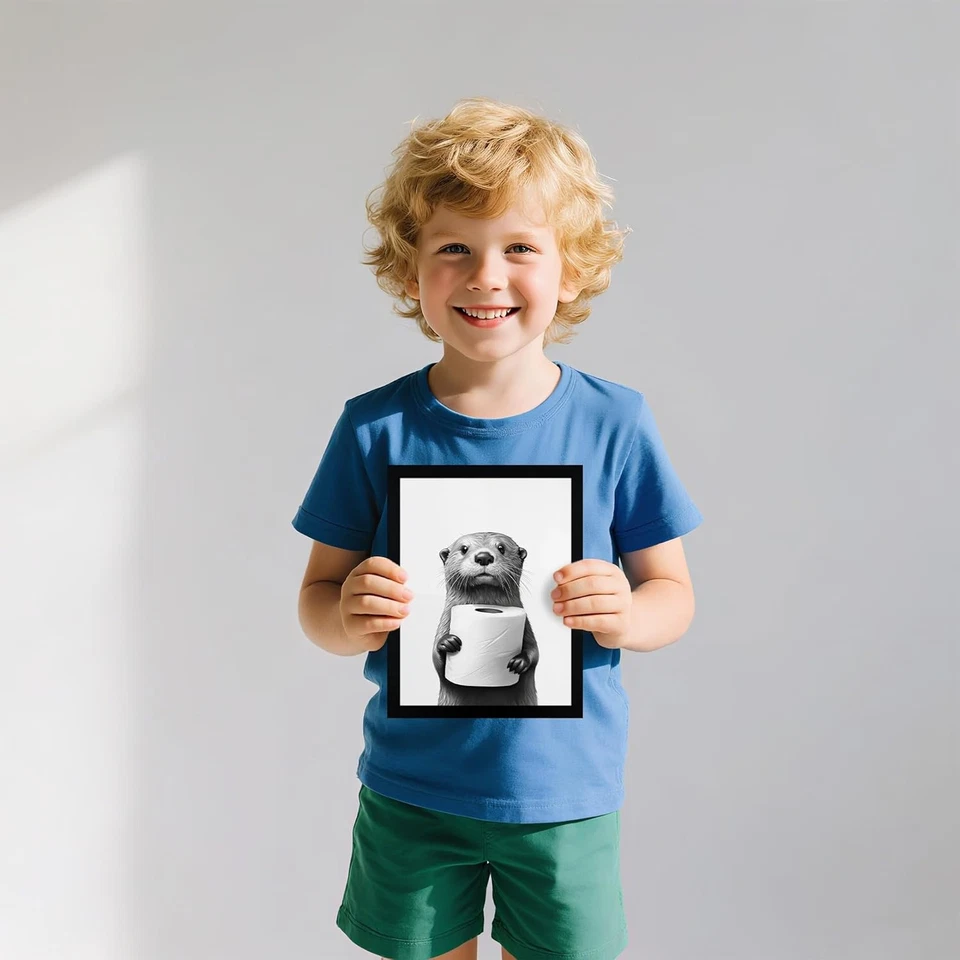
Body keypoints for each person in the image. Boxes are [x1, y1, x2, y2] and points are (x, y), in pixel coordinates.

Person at [292, 97, 704, 960]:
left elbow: (673, 593)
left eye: (520, 247)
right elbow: (318, 600)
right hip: (412, 787)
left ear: (573, 270)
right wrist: (347, 614)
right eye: (454, 249)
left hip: (565, 792)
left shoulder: (615, 424)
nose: (486, 275)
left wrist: (628, 613)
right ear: (412, 273)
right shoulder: (373, 429)